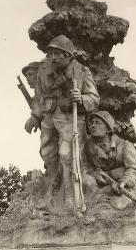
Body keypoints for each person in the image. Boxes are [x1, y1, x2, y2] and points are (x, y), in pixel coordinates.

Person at [24, 35, 99, 205]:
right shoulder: (44, 69)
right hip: (50, 116)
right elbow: (38, 97)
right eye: (51, 53)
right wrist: (34, 116)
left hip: (70, 118)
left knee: (67, 155)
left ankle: (71, 199)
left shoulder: (81, 71)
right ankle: (53, 190)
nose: (53, 57)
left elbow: (94, 99)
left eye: (57, 53)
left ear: (68, 55)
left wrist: (81, 98)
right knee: (47, 153)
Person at [83, 110, 136, 210]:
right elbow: (86, 166)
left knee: (118, 205)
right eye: (91, 123)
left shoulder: (124, 146)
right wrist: (94, 173)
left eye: (98, 123)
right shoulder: (89, 147)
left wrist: (122, 183)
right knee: (96, 202)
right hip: (105, 182)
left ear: (108, 129)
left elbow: (134, 168)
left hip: (128, 182)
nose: (92, 126)